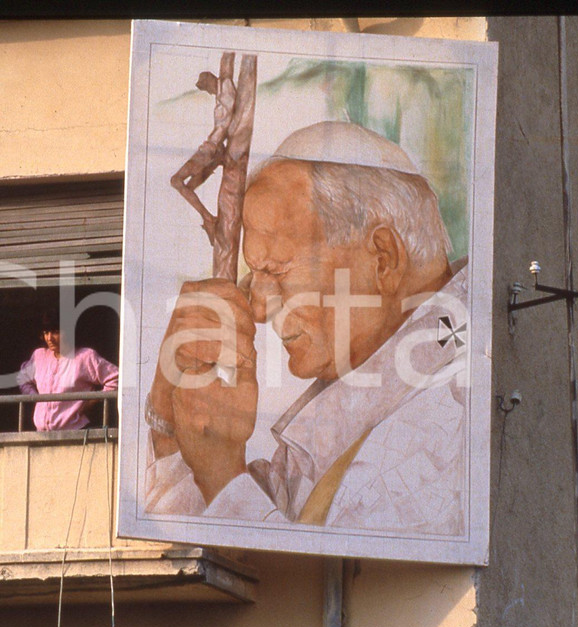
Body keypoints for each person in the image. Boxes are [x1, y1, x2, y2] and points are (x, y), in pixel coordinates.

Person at [144, 121, 470, 536]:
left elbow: (291, 584)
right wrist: (169, 415)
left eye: (277, 270)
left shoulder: (444, 422)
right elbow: (185, 539)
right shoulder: (371, 393)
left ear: (383, 258)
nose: (258, 310)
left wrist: (224, 473)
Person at [18, 310, 119, 431]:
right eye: (46, 332)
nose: (49, 338)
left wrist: (91, 402)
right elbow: (23, 378)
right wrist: (35, 398)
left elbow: (117, 378)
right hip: (42, 435)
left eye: (55, 332)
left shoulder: (85, 357)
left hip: (74, 433)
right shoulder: (39, 356)